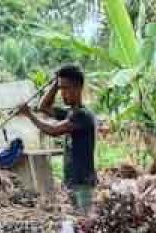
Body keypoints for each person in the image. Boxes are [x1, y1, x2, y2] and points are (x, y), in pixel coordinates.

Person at [18, 65, 98, 214]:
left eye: (66, 88)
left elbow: (53, 131)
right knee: (79, 222)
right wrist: (55, 84)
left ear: (78, 88)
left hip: (83, 183)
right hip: (72, 181)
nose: (63, 94)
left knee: (86, 221)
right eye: (61, 89)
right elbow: (43, 107)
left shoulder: (82, 115)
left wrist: (29, 115)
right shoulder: (69, 113)